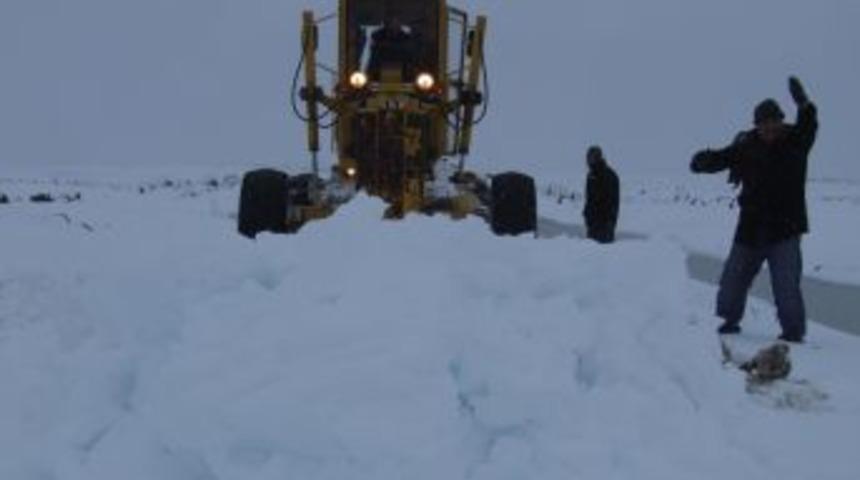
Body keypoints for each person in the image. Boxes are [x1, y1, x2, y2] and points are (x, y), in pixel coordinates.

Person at [690, 77, 818, 343]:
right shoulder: (747, 145)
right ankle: (725, 325)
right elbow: (724, 157)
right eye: (764, 123)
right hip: (750, 228)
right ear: (757, 125)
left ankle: (793, 335)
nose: (769, 127)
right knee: (732, 282)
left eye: (774, 121)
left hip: (785, 229)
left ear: (781, 121)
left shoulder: (797, 141)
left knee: (786, 288)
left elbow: (809, 124)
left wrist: (804, 104)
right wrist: (703, 161)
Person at [583, 146, 620, 243]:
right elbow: (589, 199)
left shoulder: (609, 175)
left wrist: (609, 223)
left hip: (605, 224)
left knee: (603, 254)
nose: (588, 161)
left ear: (598, 157)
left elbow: (613, 202)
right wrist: (587, 213)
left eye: (591, 158)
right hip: (592, 223)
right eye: (588, 158)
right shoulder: (591, 175)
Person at [367, 14, 417, 81]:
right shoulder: (377, 36)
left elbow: (410, 55)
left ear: (399, 24)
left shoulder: (406, 38)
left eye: (395, 22)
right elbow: (373, 54)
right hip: (380, 66)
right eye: (390, 22)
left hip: (403, 67)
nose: (393, 25)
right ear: (386, 24)